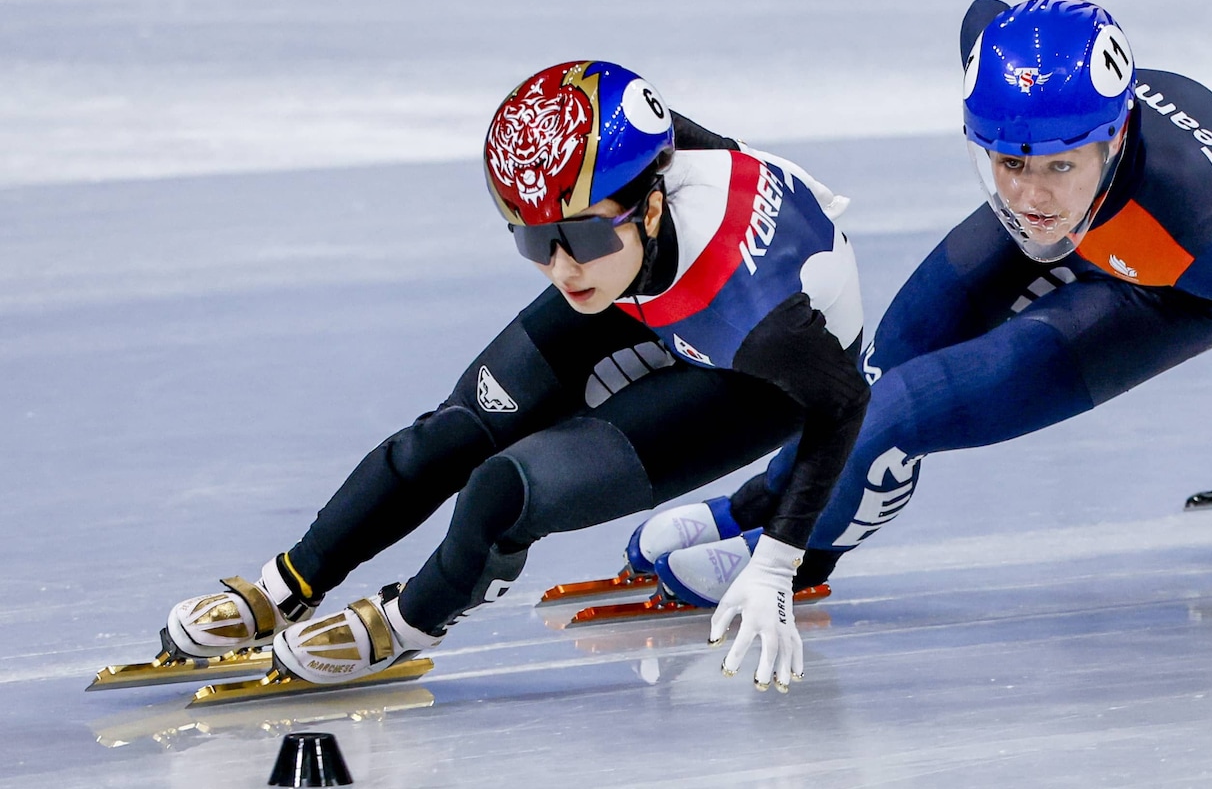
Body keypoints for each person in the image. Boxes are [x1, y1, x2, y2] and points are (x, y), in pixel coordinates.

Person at [631, 0, 1212, 677]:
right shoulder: (1016, 103)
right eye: (1007, 161)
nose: (1030, 191)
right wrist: (1045, 184)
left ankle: (801, 558)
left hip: (1164, 288)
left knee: (901, 408)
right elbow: (988, 18)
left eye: (1057, 166)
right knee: (872, 369)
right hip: (1093, 225)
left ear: (1114, 140)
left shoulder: (1208, 228)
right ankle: (757, 504)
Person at [159, 60, 868, 692]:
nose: (562, 267)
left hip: (754, 380)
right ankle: (289, 584)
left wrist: (777, 562)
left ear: (652, 206)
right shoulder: (624, 186)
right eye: (535, 238)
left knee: (504, 491)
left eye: (583, 234)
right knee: (448, 437)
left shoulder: (763, 314)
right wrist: (595, 242)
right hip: (653, 285)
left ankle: (409, 622)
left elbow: (844, 402)